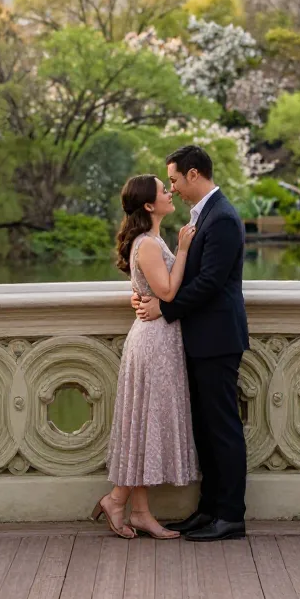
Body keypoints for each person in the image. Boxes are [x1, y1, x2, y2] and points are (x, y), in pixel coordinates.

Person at [133, 144, 248, 542]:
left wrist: (164, 311)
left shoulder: (224, 219)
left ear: (195, 174)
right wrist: (145, 295)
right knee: (206, 428)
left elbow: (210, 283)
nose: (174, 187)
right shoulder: (205, 216)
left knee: (223, 428)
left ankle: (231, 515)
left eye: (176, 179)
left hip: (217, 338)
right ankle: (209, 509)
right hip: (201, 338)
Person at [93, 174, 200, 539]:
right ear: (150, 206)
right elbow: (168, 292)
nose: (170, 192)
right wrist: (184, 248)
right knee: (146, 424)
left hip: (157, 339)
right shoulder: (150, 244)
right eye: (162, 189)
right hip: (154, 343)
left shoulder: (149, 241)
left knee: (145, 424)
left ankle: (138, 511)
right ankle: (118, 500)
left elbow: (148, 289)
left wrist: (139, 295)